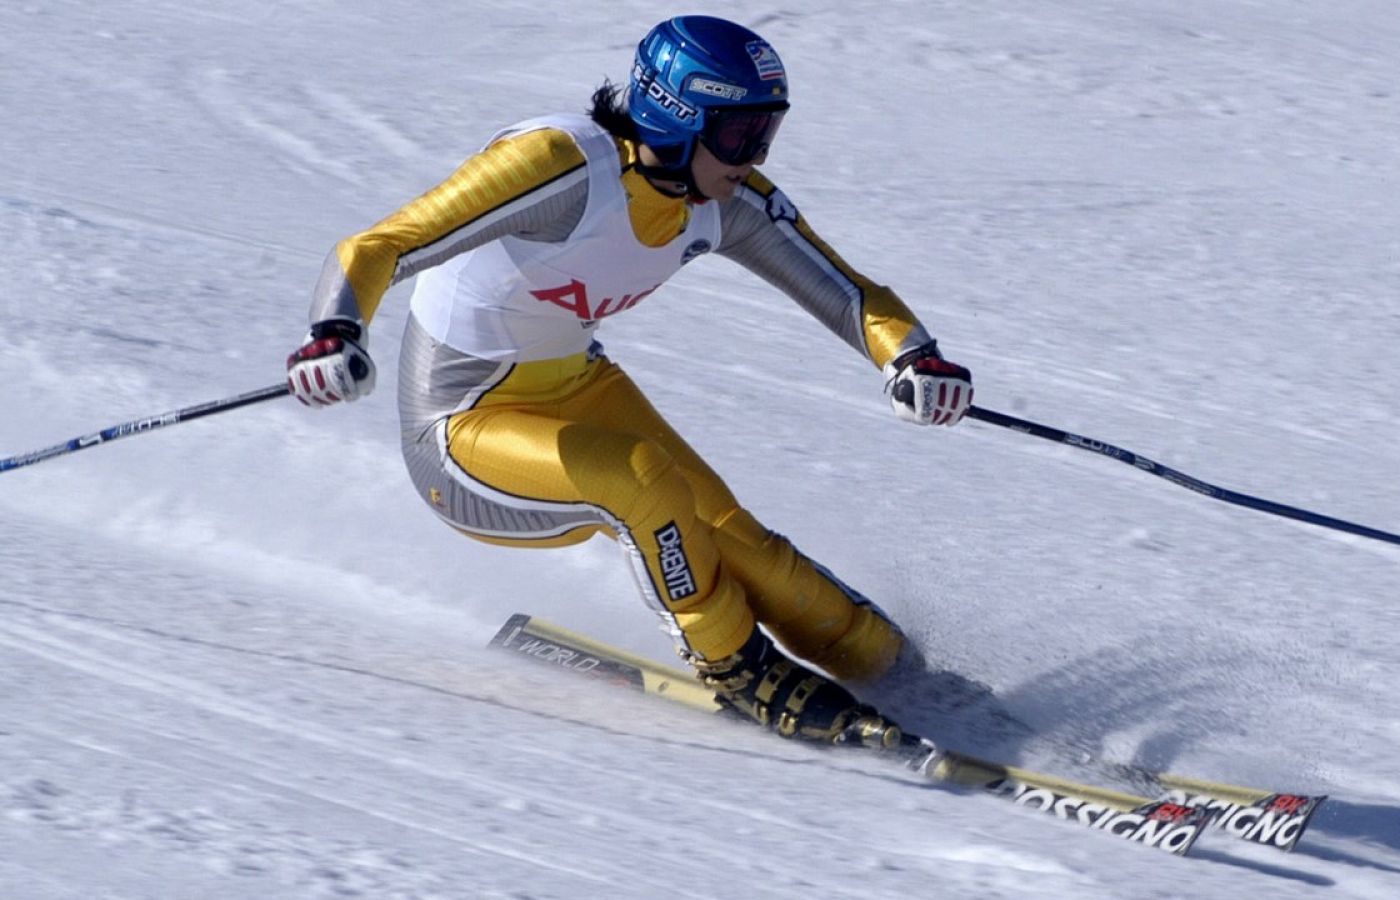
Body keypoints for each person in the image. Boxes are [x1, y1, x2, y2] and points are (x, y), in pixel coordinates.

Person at [286, 15, 974, 748]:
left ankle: (891, 668)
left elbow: (846, 290)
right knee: (643, 482)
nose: (754, 157)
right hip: (458, 429)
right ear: (675, 119)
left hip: (574, 385)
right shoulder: (561, 169)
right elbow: (379, 246)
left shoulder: (723, 199)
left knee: (752, 555)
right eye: (740, 136)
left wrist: (913, 359)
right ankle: (737, 668)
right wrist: (334, 334)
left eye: (766, 135)